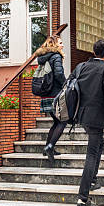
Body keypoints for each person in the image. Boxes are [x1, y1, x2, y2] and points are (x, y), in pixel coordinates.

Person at [74, 39, 104, 206]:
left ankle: (92, 180)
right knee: (92, 153)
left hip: (83, 115)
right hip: (97, 117)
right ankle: (83, 199)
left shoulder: (81, 67)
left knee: (99, 145)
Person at [36, 35, 67, 164]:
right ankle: (50, 146)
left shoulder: (43, 58)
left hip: (46, 94)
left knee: (56, 121)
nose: (62, 45)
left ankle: (48, 147)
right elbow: (59, 74)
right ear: (54, 45)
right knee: (62, 121)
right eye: (60, 43)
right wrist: (66, 84)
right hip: (55, 94)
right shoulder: (56, 56)